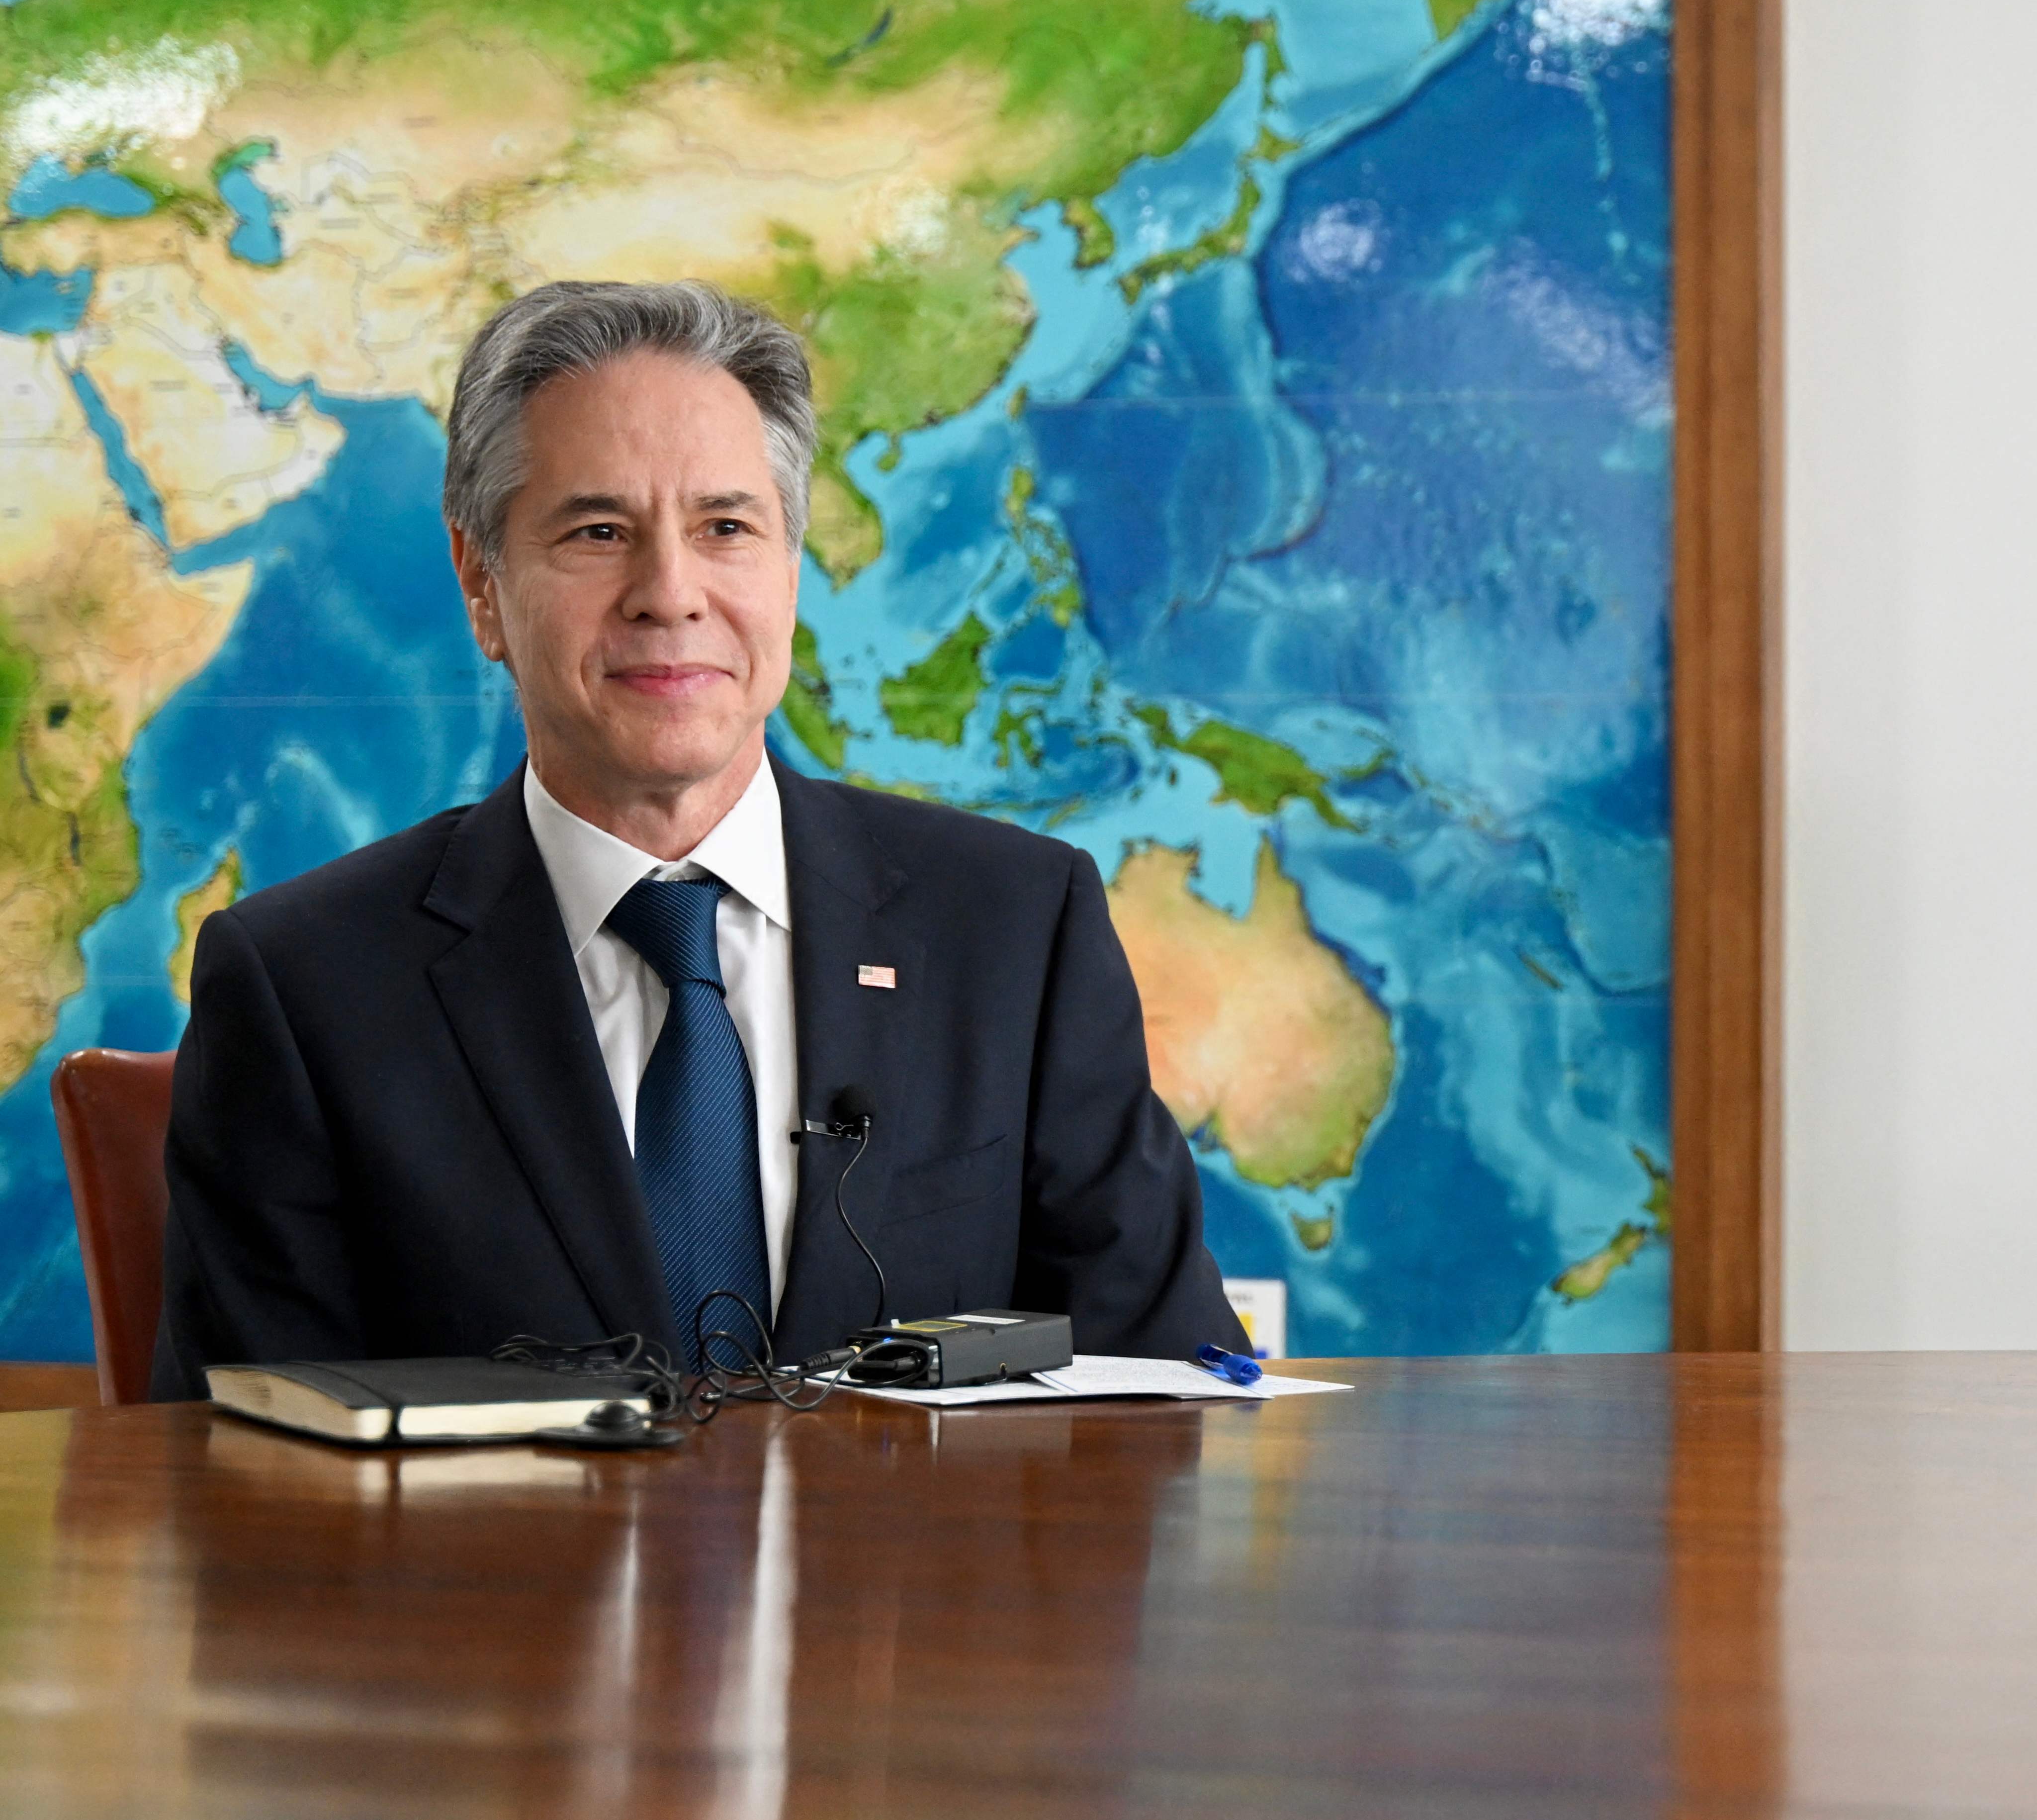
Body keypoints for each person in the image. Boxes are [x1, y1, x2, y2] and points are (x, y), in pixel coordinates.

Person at [151, 280, 1243, 1396]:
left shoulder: (1016, 928)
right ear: (482, 584)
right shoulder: (304, 986)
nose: (669, 594)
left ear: (787, 571)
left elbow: (1165, 1389)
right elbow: (242, 1473)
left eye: (726, 528)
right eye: (598, 532)